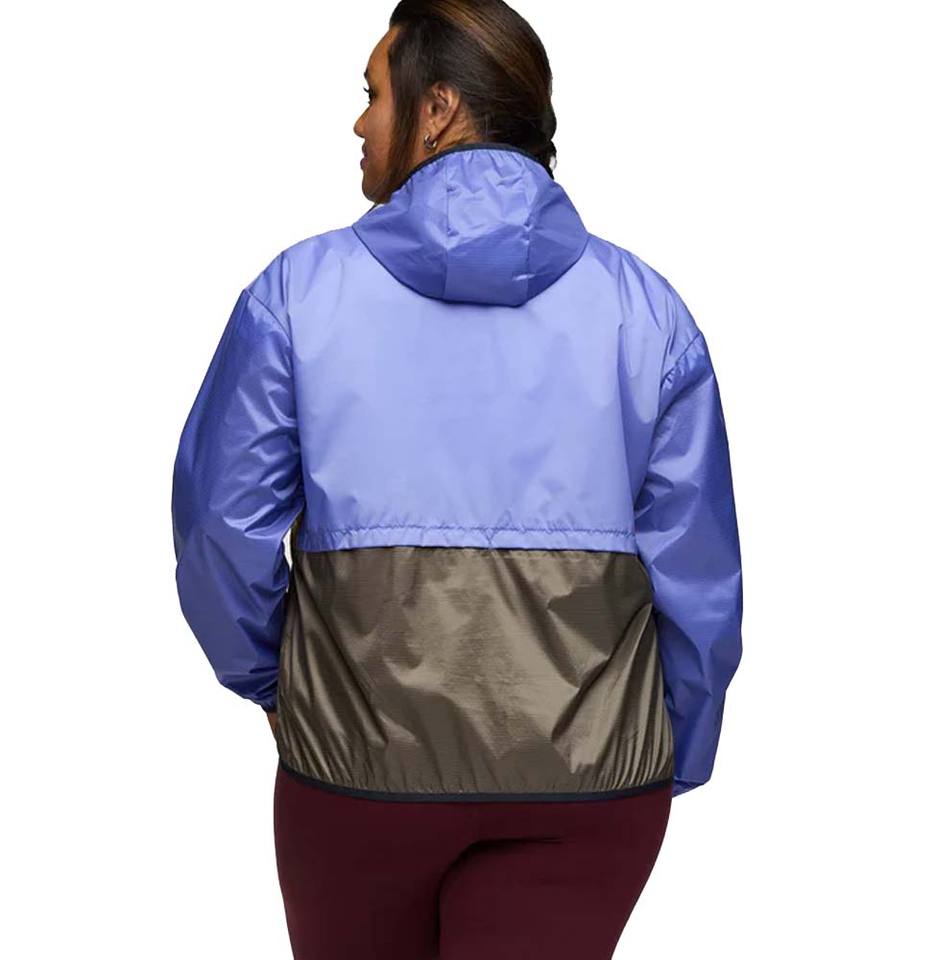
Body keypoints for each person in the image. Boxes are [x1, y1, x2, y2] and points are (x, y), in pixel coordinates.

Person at [170, 1, 743, 957]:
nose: (359, 122)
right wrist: (677, 745)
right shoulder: (647, 314)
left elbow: (219, 531)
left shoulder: (295, 297)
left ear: (436, 109)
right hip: (589, 789)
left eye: (372, 94)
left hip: (358, 780)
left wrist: (276, 683)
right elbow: (700, 573)